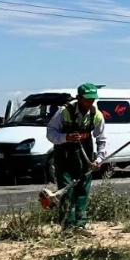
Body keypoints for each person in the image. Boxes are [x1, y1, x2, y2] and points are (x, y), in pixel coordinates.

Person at [45, 83, 109, 234]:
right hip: (65, 156)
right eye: (87, 99)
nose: (90, 103)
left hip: (85, 156)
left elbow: (102, 139)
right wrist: (65, 137)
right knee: (67, 191)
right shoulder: (64, 112)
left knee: (82, 191)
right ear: (78, 98)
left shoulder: (96, 115)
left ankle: (80, 225)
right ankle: (67, 227)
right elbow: (50, 133)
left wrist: (99, 159)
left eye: (92, 99)